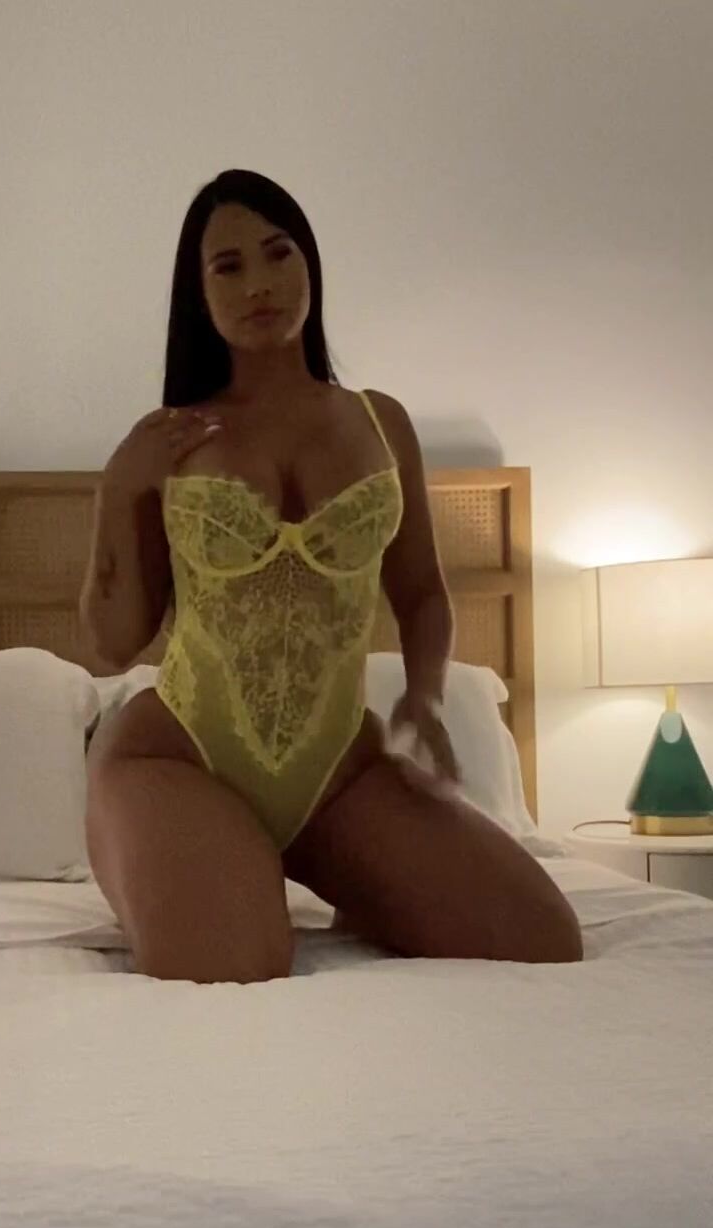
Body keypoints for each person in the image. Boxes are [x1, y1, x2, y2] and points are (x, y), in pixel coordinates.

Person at [79, 168, 583, 982]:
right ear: (198, 294)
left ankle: (334, 872)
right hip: (178, 758)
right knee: (233, 966)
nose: (259, 283)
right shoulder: (170, 440)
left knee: (542, 937)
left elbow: (422, 594)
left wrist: (424, 696)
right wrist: (118, 488)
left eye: (278, 253)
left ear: (310, 262)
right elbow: (112, 644)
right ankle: (188, 850)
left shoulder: (382, 423)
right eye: (228, 267)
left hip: (339, 775)